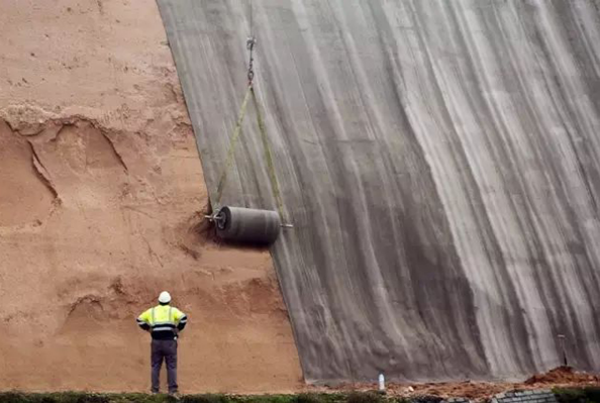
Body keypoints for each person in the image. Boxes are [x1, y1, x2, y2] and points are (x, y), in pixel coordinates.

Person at [137, 291, 188, 396]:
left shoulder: (151, 311)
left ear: (159, 301)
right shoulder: (172, 311)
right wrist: (178, 329)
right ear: (169, 301)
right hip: (169, 342)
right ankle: (172, 391)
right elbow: (183, 318)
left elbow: (139, 320)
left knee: (155, 366)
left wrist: (148, 329)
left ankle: (154, 390)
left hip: (156, 342)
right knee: (171, 366)